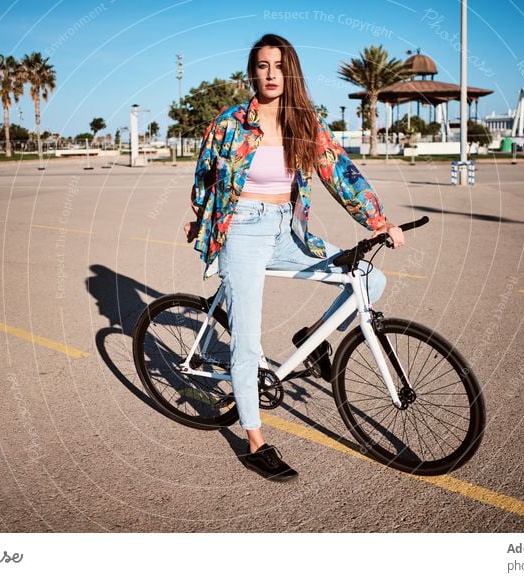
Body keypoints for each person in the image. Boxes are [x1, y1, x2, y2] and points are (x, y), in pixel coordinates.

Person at [184, 33, 404, 482]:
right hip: (241, 231)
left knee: (367, 279)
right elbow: (204, 178)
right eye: (262, 66)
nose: (270, 74)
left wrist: (378, 222)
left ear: (291, 71)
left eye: (278, 66)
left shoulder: (304, 121)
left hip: (288, 230)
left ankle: (313, 337)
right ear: (253, 71)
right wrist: (203, 221)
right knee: (246, 343)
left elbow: (340, 172)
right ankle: (255, 442)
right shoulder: (230, 123)